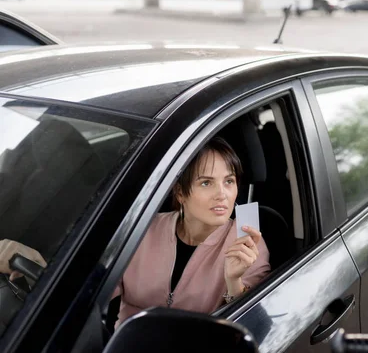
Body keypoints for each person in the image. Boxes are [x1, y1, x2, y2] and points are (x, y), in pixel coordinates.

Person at [0, 137, 271, 329]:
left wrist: (234, 283)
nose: (222, 194)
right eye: (206, 182)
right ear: (180, 192)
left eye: (229, 181)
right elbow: (92, 290)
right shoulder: (143, 229)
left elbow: (257, 328)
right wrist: (41, 271)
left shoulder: (246, 244)